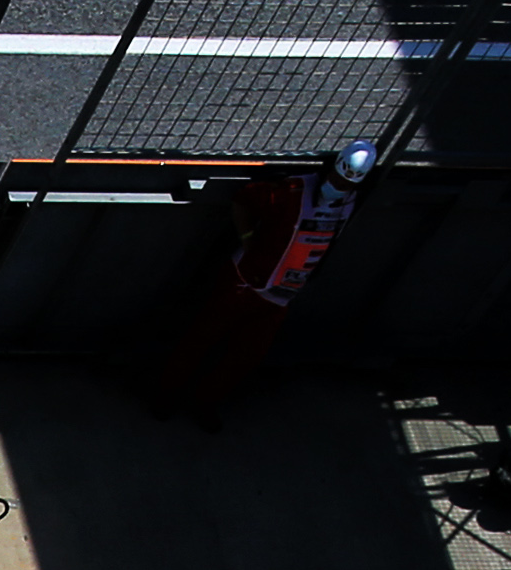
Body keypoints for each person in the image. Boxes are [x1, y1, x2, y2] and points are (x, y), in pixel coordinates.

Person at [151, 137, 378, 416]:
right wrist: (249, 241)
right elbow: (244, 199)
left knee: (245, 356)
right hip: (244, 282)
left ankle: (206, 405)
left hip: (281, 295)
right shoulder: (293, 189)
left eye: (349, 184)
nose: (341, 187)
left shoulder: (351, 203)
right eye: (339, 180)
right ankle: (164, 398)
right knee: (201, 338)